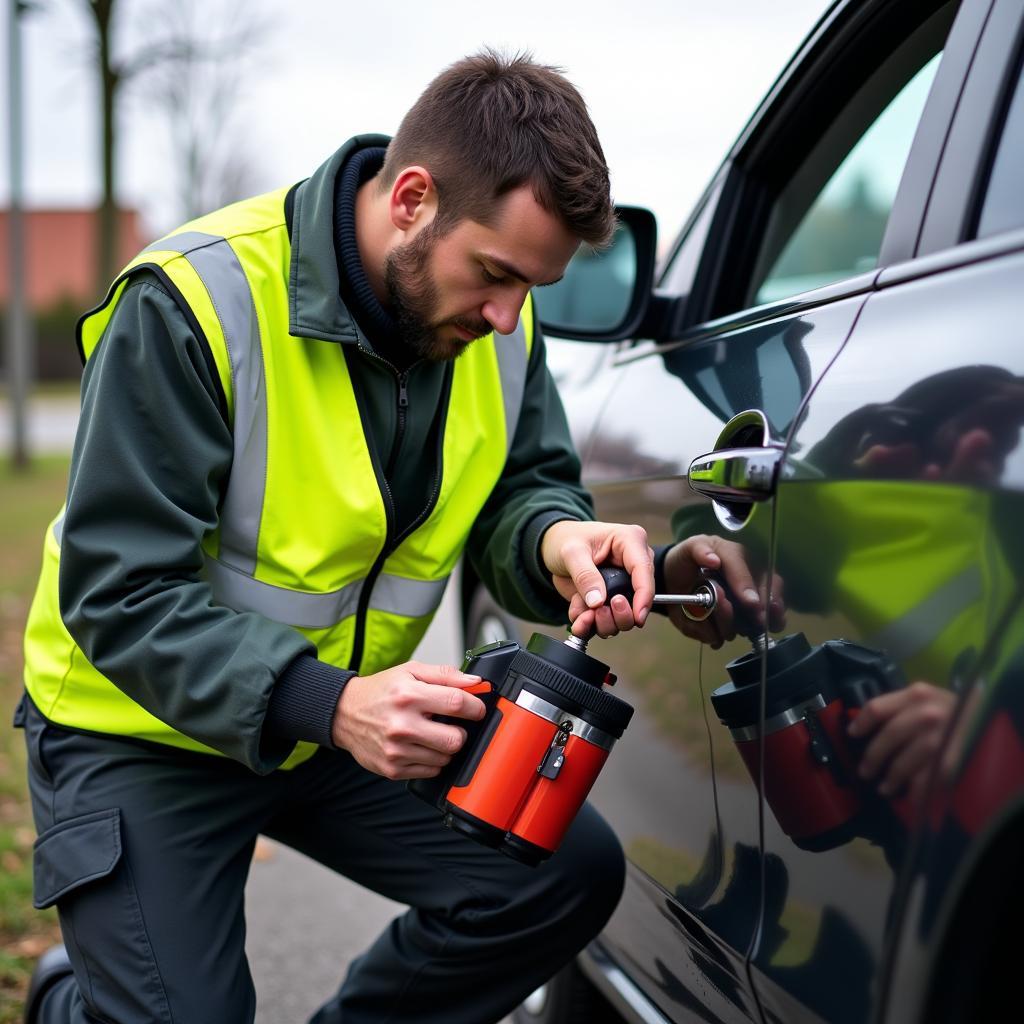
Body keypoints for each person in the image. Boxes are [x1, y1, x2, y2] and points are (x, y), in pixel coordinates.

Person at [16, 52, 736, 1024]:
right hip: (143, 731)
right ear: (411, 198)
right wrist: (332, 701)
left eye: (532, 288)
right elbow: (118, 592)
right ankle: (79, 1002)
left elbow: (519, 488)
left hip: (342, 723)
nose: (508, 316)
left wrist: (557, 540)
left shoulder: (495, 328)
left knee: (560, 873)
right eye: (493, 275)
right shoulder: (195, 302)